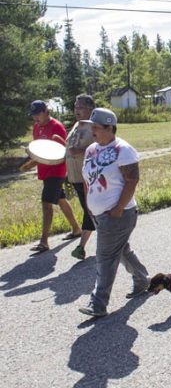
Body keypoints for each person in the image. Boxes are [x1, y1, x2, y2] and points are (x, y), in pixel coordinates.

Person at [78, 108, 149, 317]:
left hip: (120, 214)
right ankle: (142, 279)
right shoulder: (91, 149)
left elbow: (132, 180)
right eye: (91, 127)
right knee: (120, 250)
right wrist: (89, 206)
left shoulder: (123, 150)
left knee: (104, 256)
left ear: (109, 127)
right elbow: (86, 178)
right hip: (100, 214)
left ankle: (98, 303)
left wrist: (117, 208)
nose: (92, 132)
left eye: (96, 128)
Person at [26, 100, 81, 253]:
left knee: (46, 202)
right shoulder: (37, 127)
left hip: (57, 171)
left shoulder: (57, 127)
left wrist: (61, 143)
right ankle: (77, 229)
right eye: (33, 115)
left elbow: (65, 150)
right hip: (44, 169)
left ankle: (44, 241)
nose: (35, 118)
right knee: (60, 199)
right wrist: (31, 160)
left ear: (46, 111)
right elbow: (39, 148)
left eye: (37, 114)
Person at [66, 94, 96, 260]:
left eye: (80, 107)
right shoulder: (77, 125)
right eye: (75, 107)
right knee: (89, 210)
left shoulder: (94, 126)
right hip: (75, 176)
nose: (76, 110)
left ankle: (81, 247)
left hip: (88, 177)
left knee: (90, 210)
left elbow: (102, 147)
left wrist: (81, 152)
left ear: (90, 108)